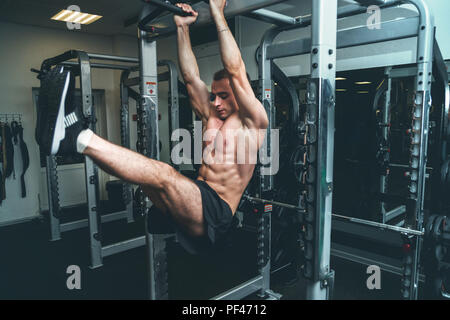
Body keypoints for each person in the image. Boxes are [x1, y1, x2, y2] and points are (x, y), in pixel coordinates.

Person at [36, 0, 268, 254]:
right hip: (198, 195)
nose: (217, 101)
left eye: (224, 95)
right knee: (147, 178)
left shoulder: (253, 121)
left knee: (164, 174)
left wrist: (217, 12)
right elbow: (190, 78)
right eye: (214, 95)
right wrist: (182, 29)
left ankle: (75, 136)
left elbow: (236, 70)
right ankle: (70, 137)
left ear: (240, 93)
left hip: (217, 210)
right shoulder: (211, 115)